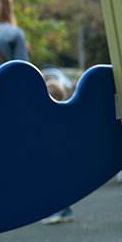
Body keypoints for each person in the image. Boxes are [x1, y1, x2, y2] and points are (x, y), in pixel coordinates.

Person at [42, 80, 74, 224]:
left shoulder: (47, 115)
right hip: (64, 158)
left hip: (52, 158)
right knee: (63, 184)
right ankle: (66, 211)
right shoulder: (64, 112)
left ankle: (56, 213)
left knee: (52, 185)